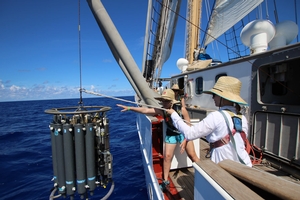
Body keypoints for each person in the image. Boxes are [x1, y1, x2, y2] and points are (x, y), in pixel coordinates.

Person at [117, 89, 200, 191]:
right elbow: (146, 110)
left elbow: (189, 125)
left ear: (171, 102)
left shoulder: (182, 110)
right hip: (171, 134)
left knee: (193, 156)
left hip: (184, 135)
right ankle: (165, 181)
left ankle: (203, 176)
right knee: (167, 157)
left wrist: (186, 139)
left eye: (166, 101)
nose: (164, 103)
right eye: (163, 100)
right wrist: (129, 108)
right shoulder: (162, 110)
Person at [166, 76, 252, 167]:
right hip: (245, 165)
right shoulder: (243, 118)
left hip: (225, 168)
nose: (212, 98)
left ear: (221, 97)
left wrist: (174, 115)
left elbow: (189, 134)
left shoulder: (216, 116)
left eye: (214, 95)